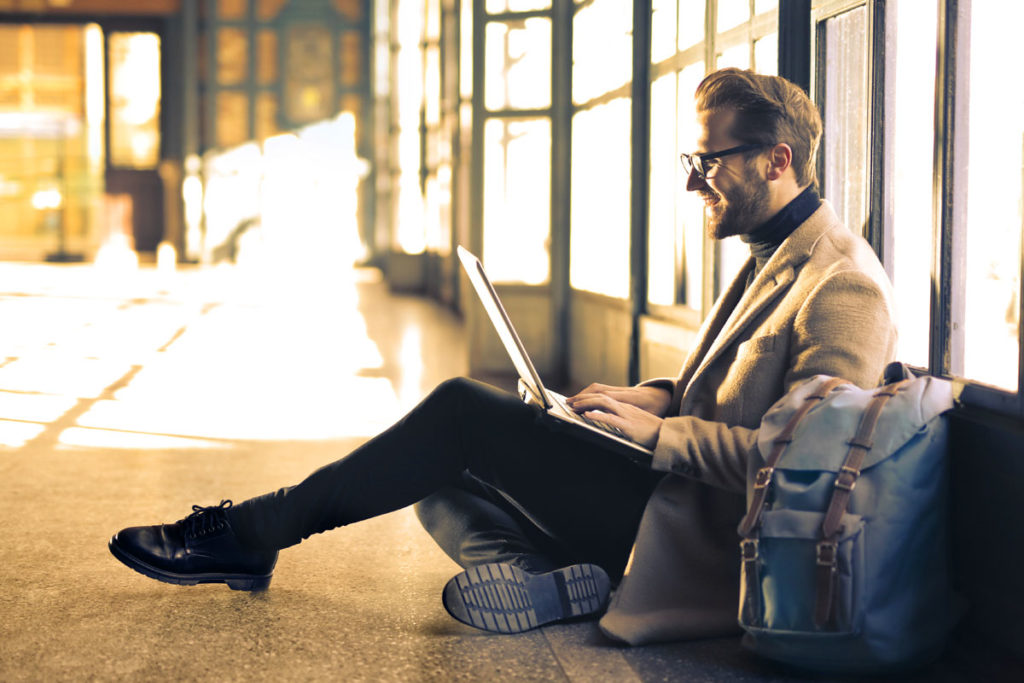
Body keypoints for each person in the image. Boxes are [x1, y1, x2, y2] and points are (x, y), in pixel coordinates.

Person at [109, 68, 897, 644]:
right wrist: (650, 397)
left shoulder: (841, 285)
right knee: (426, 478)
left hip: (694, 535)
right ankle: (542, 580)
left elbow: (807, 468)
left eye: (709, 162)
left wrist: (655, 436)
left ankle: (252, 531)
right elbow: (731, 391)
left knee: (459, 410)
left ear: (778, 158)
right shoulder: (775, 250)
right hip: (659, 492)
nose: (696, 183)